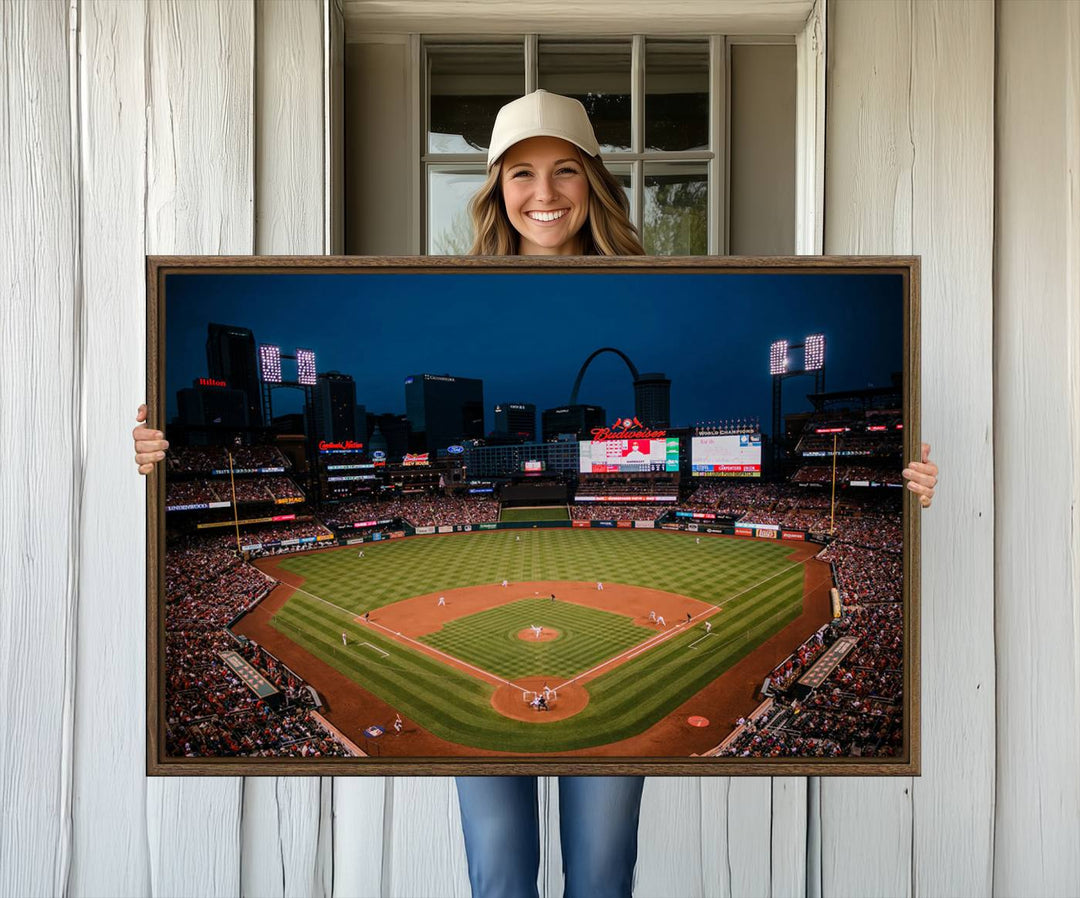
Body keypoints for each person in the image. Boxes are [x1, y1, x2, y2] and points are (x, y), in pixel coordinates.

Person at [132, 89, 940, 898]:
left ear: (594, 180)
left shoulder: (657, 278)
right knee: (500, 874)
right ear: (495, 188)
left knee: (600, 873)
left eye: (564, 171)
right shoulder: (454, 283)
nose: (544, 193)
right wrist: (160, 450)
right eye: (521, 173)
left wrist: (903, 479)